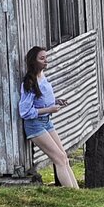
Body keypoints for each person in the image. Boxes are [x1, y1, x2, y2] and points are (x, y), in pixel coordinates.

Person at [18, 46, 79, 188]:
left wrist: (56, 101)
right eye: (42, 58)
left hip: (46, 121)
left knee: (64, 157)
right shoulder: (29, 82)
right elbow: (25, 112)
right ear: (33, 61)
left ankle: (78, 193)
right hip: (35, 124)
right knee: (58, 159)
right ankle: (72, 194)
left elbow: (41, 99)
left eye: (46, 57)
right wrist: (49, 109)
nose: (46, 61)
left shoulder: (42, 77)